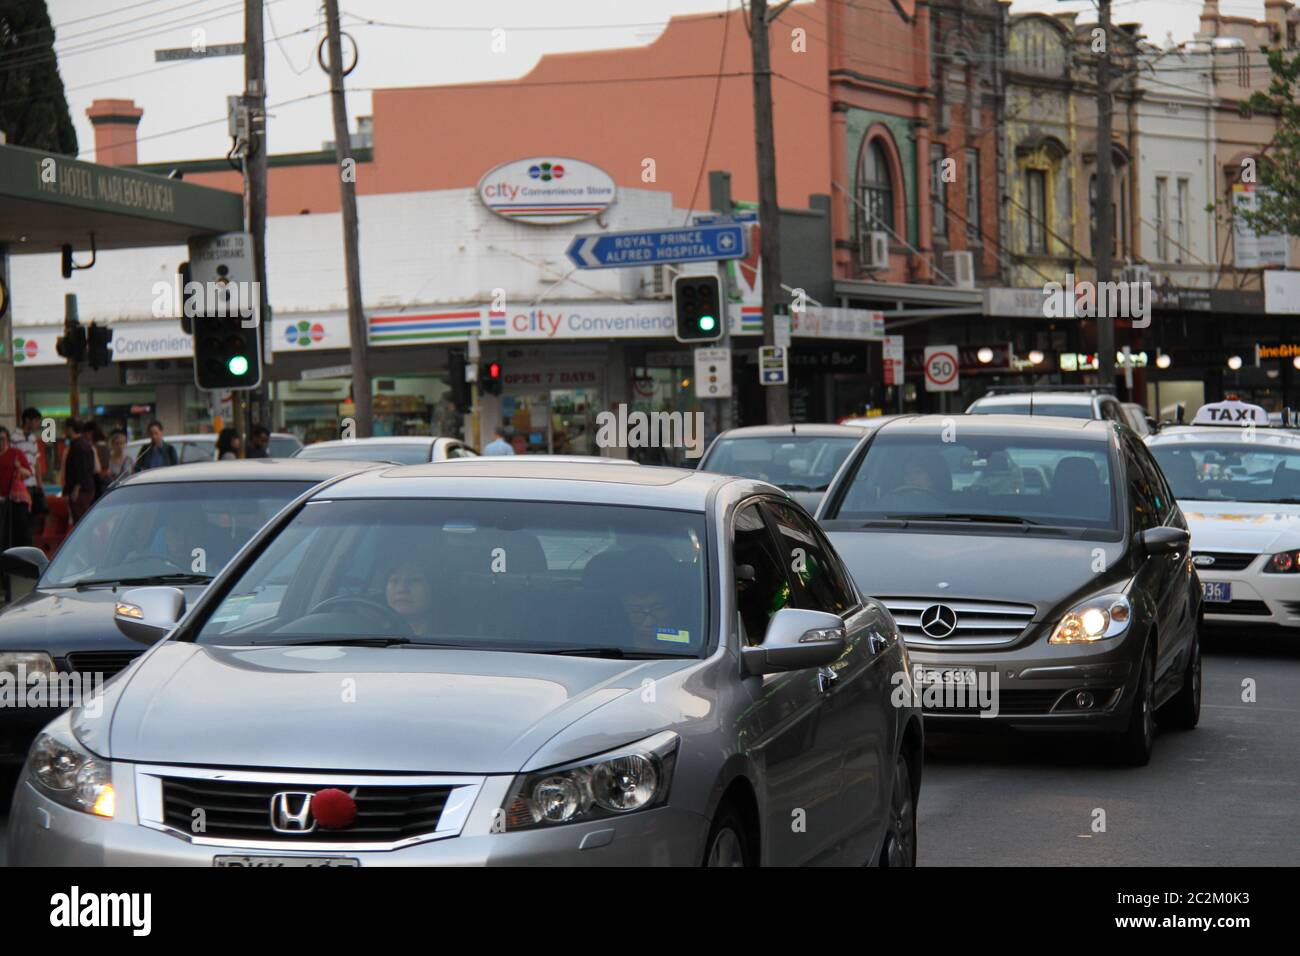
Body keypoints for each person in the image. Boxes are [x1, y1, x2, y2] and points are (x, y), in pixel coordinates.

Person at [0, 426, 34, 549]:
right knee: (4, 535)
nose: (1, 442)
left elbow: (28, 473)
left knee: (21, 532)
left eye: (2, 439)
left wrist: (18, 467)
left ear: (7, 439)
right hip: (1, 501)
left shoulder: (15, 453)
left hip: (16, 501)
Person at [14, 408, 47, 534]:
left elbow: (36, 462)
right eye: (37, 420)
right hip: (21, 486)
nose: (38, 424)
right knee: (23, 519)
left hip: (33, 485)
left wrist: (40, 483)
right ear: (27, 420)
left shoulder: (33, 439)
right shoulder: (14, 437)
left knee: (33, 518)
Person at [61, 419, 98, 526]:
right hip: (84, 488)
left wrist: (76, 488)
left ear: (70, 429)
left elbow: (82, 469)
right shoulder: (84, 445)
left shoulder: (78, 446)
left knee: (80, 521)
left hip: (80, 490)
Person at [385, 561, 437, 636]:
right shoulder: (371, 631)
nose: (402, 589)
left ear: (432, 589)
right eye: (394, 580)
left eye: (414, 580)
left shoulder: (453, 638)